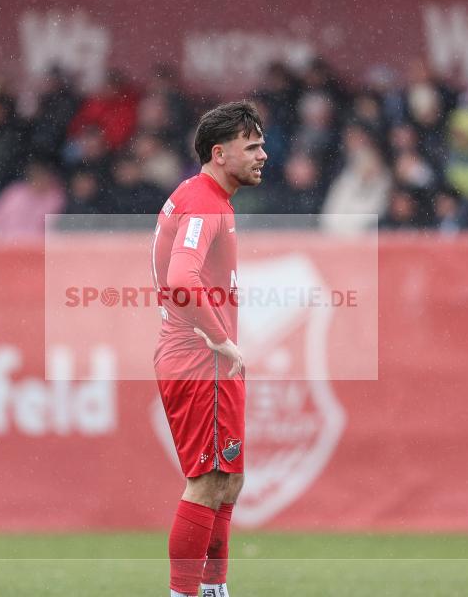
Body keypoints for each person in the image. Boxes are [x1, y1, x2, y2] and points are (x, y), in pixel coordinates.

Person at [151, 101, 266, 597]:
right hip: (201, 362)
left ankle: (214, 590)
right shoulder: (203, 201)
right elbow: (181, 278)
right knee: (206, 483)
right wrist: (219, 338)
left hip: (201, 361)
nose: (263, 154)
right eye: (252, 146)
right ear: (220, 153)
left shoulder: (205, 198)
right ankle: (185, 594)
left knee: (227, 482)